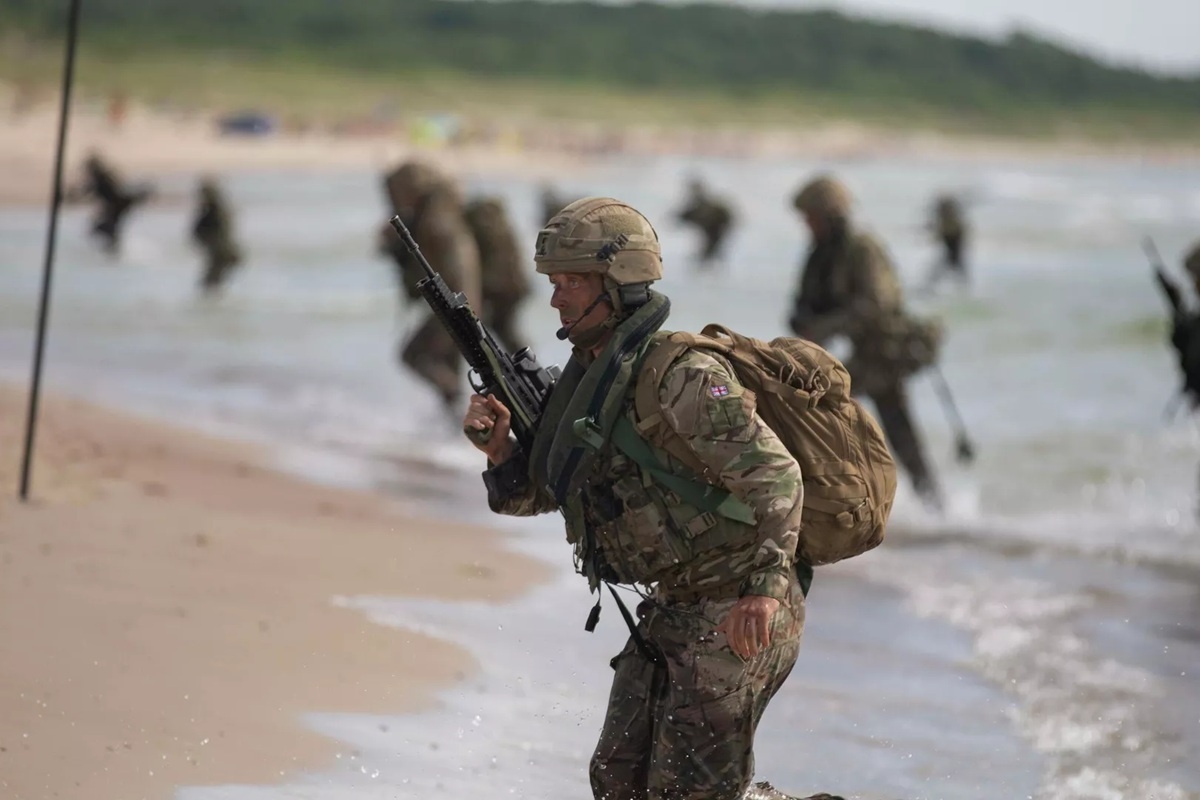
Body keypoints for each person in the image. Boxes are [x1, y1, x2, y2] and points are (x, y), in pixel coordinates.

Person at [462, 197, 840, 800]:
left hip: (737, 603)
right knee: (616, 782)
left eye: (573, 282)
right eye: (555, 283)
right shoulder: (593, 379)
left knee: (689, 791)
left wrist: (765, 593)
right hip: (672, 609)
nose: (557, 298)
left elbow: (778, 478)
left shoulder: (679, 375)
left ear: (620, 282)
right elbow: (548, 495)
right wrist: (502, 452)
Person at [788, 175, 944, 512]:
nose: (807, 225)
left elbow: (878, 303)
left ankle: (930, 509)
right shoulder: (821, 254)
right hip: (859, 353)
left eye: (812, 217)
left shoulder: (861, 249)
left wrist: (826, 325)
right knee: (821, 414)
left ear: (831, 215)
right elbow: (806, 303)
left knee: (895, 434)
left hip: (884, 353)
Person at [378, 160, 482, 412]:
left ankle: (453, 401)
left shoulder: (433, 221)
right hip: (461, 304)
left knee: (413, 355)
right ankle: (453, 430)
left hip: (454, 305)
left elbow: (428, 275)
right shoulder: (443, 211)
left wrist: (398, 247)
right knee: (447, 365)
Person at [463, 195, 530, 353]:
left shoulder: (483, 226)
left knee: (492, 328)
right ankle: (527, 365)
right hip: (512, 285)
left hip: (501, 286)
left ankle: (524, 366)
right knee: (503, 329)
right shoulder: (501, 227)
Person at [72, 152, 152, 256]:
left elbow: (88, 192)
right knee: (106, 230)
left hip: (117, 206)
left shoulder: (100, 179)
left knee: (103, 229)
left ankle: (113, 254)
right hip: (117, 206)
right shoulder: (104, 176)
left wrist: (71, 196)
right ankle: (113, 253)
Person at [190, 177, 243, 294]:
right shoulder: (219, 209)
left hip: (221, 251)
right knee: (213, 283)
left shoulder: (214, 210)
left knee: (211, 283)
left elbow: (207, 231)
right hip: (221, 250)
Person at [675, 177, 736, 270]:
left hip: (717, 229)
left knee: (712, 254)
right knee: (710, 255)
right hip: (714, 230)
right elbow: (682, 216)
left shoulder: (709, 207)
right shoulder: (699, 206)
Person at [923, 194, 969, 290]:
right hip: (951, 245)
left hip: (954, 245)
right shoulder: (948, 218)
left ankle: (931, 286)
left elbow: (945, 232)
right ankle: (962, 288)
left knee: (951, 266)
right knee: (952, 266)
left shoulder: (951, 220)